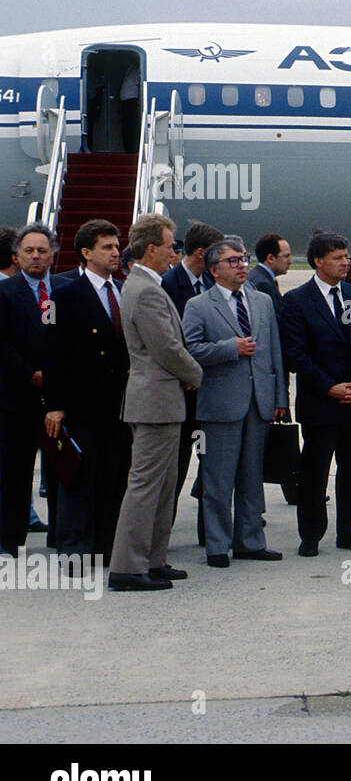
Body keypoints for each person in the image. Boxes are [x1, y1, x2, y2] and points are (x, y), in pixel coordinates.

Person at [108, 214, 203, 591]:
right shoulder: (145, 290)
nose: (173, 254)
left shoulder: (147, 285)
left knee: (164, 484)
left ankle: (153, 558)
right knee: (146, 485)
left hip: (161, 401)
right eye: (169, 247)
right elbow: (165, 347)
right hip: (155, 401)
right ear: (151, 249)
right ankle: (128, 566)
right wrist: (196, 373)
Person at [183, 236, 288, 567]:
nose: (242, 265)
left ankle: (250, 541)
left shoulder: (262, 302)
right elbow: (189, 351)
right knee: (218, 478)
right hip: (220, 405)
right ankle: (217, 545)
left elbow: (274, 353)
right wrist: (230, 348)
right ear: (214, 270)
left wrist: (279, 397)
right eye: (233, 261)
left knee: (252, 477)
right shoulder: (199, 305)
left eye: (243, 260)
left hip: (259, 402)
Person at [279, 231, 351, 556]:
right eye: (338, 258)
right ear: (318, 262)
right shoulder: (297, 300)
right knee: (315, 471)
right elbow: (296, 355)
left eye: (347, 257)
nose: (345, 263)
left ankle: (350, 532)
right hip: (320, 403)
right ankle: (311, 534)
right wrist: (330, 387)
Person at [43, 220, 132, 563]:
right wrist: (54, 405)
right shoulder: (63, 295)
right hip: (82, 405)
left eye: (116, 245)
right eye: (107, 247)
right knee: (79, 481)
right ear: (85, 253)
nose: (115, 252)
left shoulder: (124, 291)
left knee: (114, 479)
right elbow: (52, 354)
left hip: (120, 406)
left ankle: (106, 547)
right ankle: (75, 552)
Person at [0, 224, 63, 556]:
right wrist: (31, 374)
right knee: (14, 471)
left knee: (61, 469)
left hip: (58, 397)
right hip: (18, 395)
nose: (36, 256)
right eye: (29, 250)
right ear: (17, 255)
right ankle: (8, 539)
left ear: (53, 253)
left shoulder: (66, 289)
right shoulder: (6, 292)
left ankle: (61, 537)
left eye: (42, 250)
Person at [161, 221, 223, 543]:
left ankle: (210, 534)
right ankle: (160, 537)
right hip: (180, 397)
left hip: (211, 397)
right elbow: (166, 342)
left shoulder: (215, 286)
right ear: (202, 253)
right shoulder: (166, 286)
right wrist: (187, 375)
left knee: (211, 467)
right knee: (174, 471)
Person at [249, 233, 291, 317]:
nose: (290, 262)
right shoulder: (263, 285)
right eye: (286, 257)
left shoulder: (256, 275)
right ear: (271, 258)